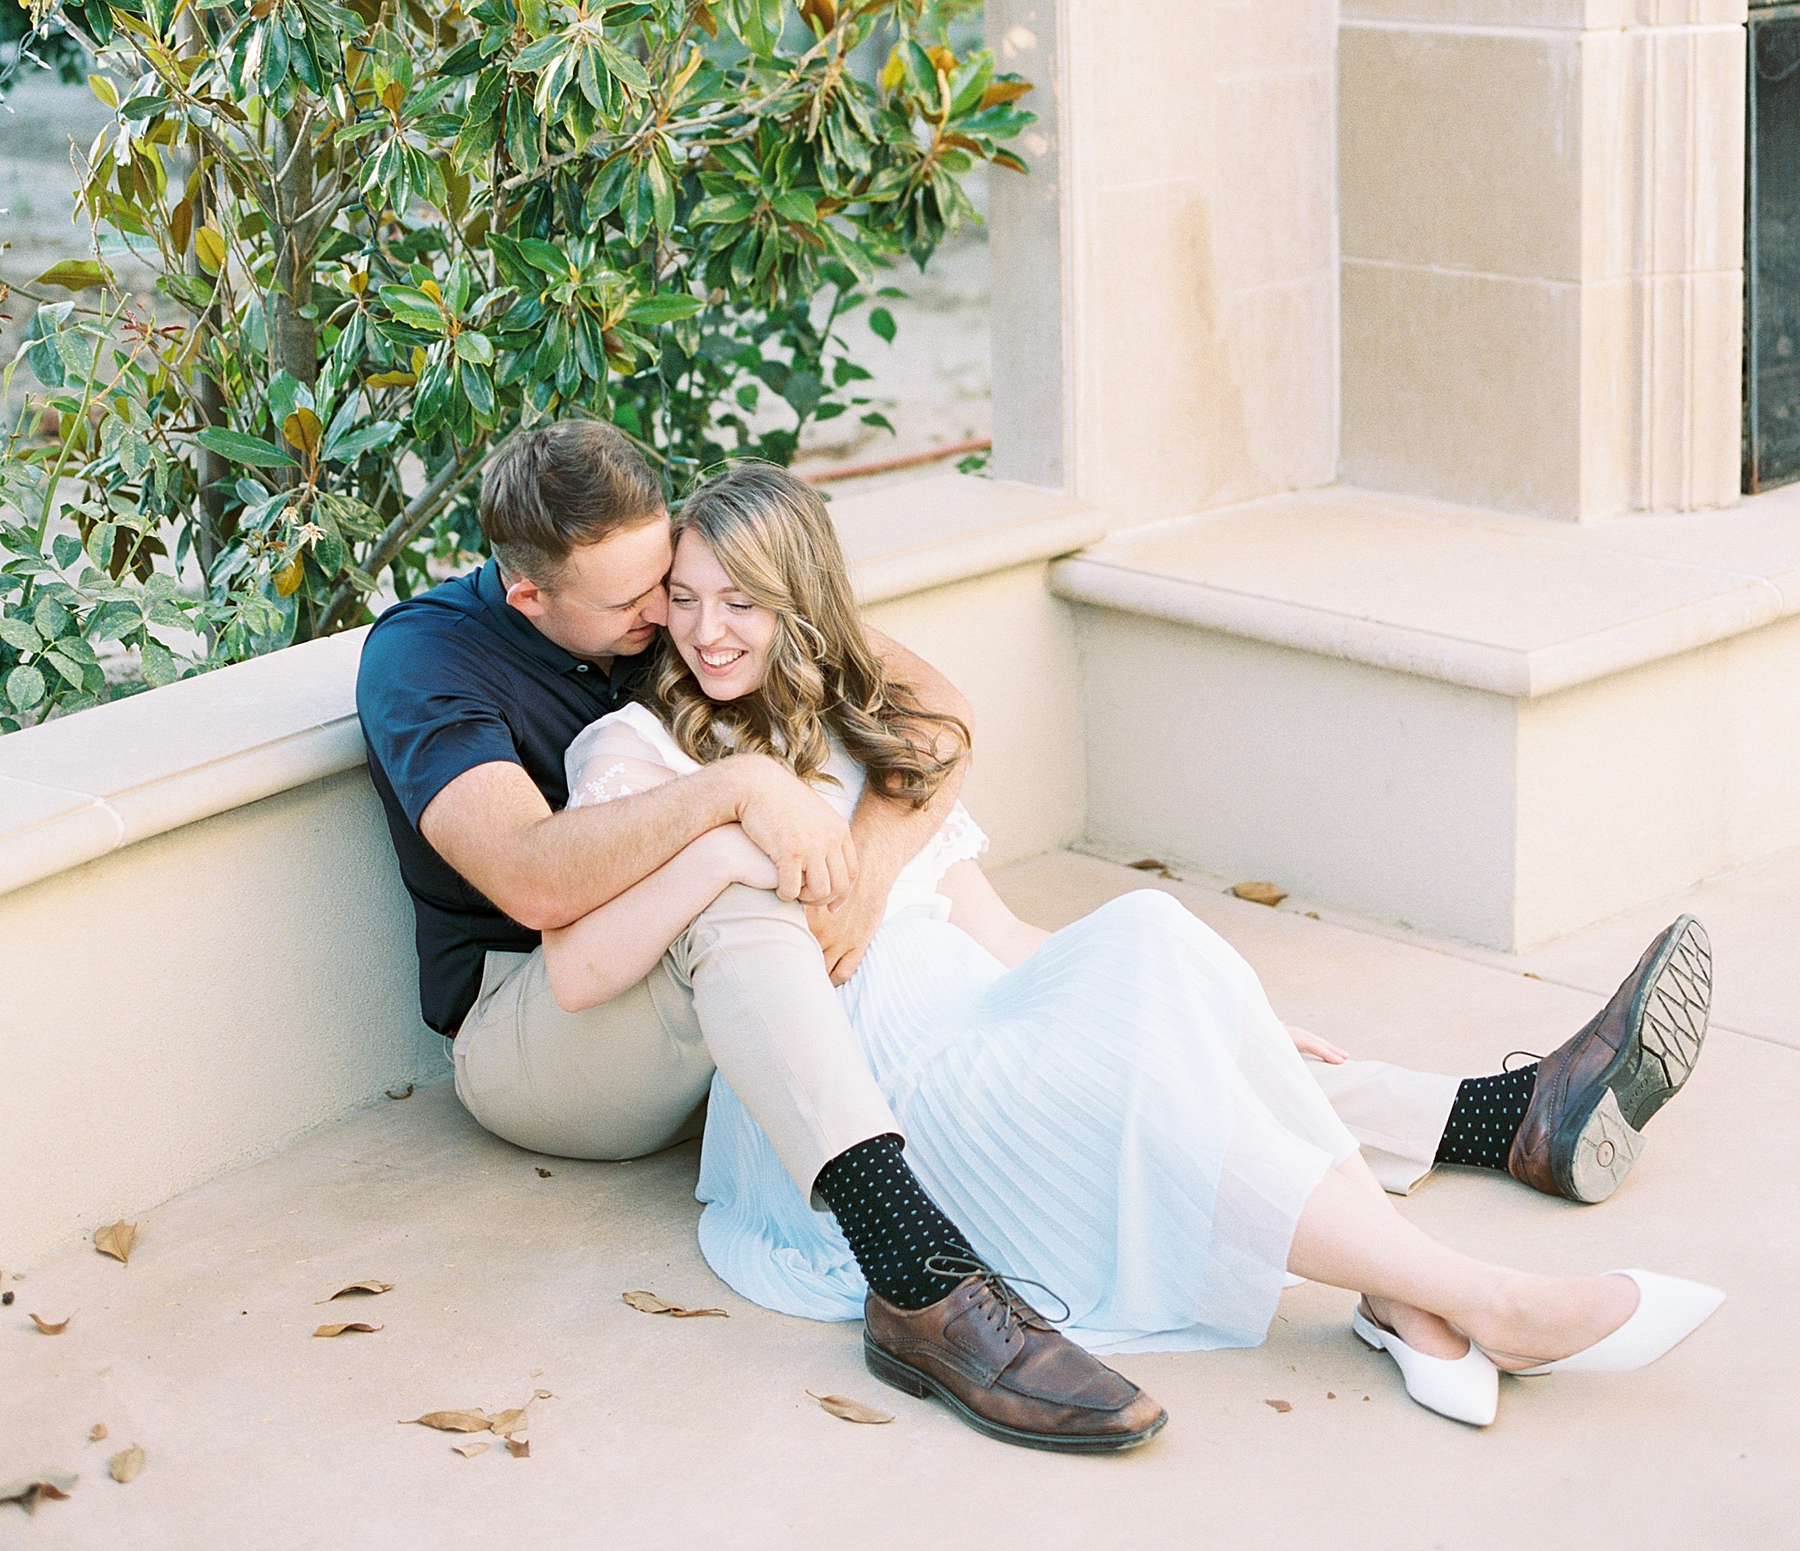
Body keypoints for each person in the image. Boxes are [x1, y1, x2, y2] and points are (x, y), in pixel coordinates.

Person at [356, 420, 1715, 1451]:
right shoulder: (475, 676)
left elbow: (929, 727)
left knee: (1147, 969)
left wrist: (874, 874)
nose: (674, 617)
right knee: (737, 888)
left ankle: (1499, 1129)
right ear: (535, 599)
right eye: (648, 601)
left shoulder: (713, 623)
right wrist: (735, 802)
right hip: (549, 1027)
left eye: (696, 583)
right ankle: (921, 1272)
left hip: (790, 1007)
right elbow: (546, 895)